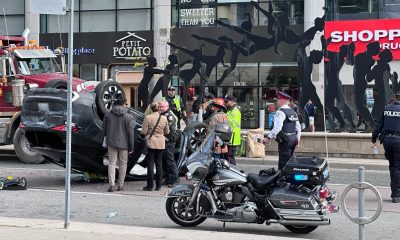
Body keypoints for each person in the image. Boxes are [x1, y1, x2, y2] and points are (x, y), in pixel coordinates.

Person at [371, 92, 400, 203]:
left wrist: (373, 140)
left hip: (387, 141)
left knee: (392, 167)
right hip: (398, 141)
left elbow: (378, 126)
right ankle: (396, 195)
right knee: (398, 168)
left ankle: (394, 192)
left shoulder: (386, 109)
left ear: (394, 99)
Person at [101, 96, 135, 192]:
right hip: (124, 144)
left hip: (111, 142)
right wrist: (131, 146)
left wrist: (102, 141)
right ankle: (121, 185)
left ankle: (111, 185)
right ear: (124, 104)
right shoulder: (128, 117)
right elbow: (130, 133)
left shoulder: (108, 115)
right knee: (123, 164)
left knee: (111, 163)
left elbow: (103, 129)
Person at [263, 92, 301, 170]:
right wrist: (298, 139)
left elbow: (277, 128)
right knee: (289, 161)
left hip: (284, 140)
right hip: (292, 140)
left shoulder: (280, 112)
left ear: (282, 100)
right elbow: (298, 128)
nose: (277, 101)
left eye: (278, 99)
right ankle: (288, 178)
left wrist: (268, 138)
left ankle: (283, 179)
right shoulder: (293, 112)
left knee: (283, 163)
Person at [141, 102, 169, 191]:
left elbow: (143, 132)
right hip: (161, 142)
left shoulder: (148, 117)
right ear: (158, 108)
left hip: (151, 142)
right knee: (159, 164)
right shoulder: (164, 118)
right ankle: (158, 186)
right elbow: (167, 131)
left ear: (151, 108)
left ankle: (150, 186)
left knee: (150, 164)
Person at [159, 100, 179, 188]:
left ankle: (174, 179)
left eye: (162, 107)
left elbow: (169, 131)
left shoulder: (169, 116)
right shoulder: (162, 115)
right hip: (164, 140)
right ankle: (167, 178)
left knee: (169, 160)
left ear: (167, 106)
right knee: (164, 160)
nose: (160, 108)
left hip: (169, 141)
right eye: (159, 107)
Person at [224, 95, 241, 165]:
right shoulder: (230, 110)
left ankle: (234, 172)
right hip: (230, 138)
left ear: (231, 101)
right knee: (228, 157)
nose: (225, 103)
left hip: (232, 138)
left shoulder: (235, 111)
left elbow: (230, 122)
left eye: (226, 101)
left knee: (230, 157)